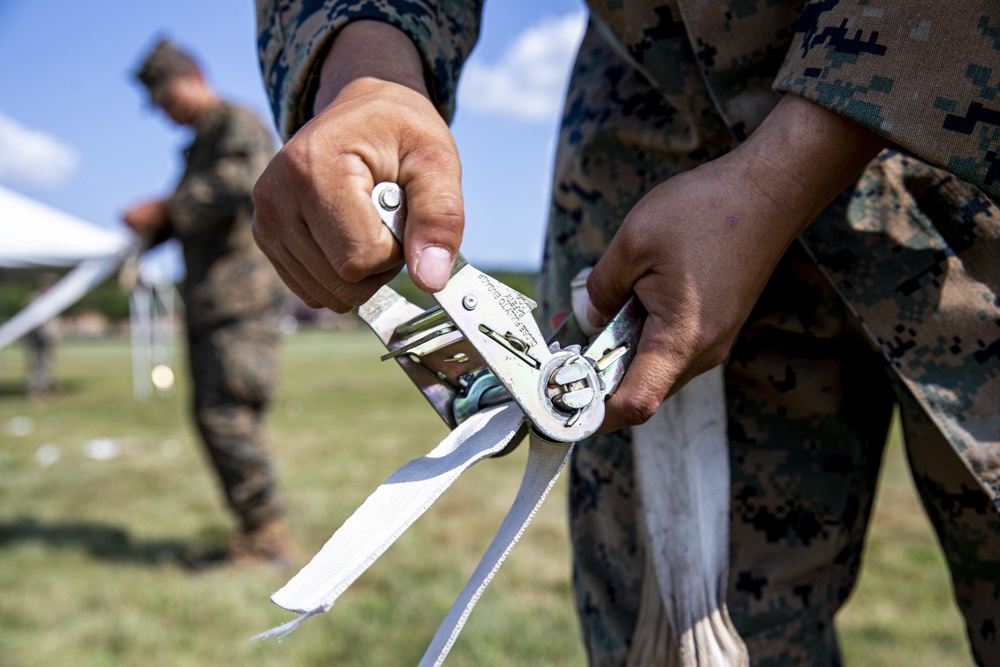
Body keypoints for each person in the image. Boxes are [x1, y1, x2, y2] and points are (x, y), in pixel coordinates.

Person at [251, 2, 1000, 664]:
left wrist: (778, 177)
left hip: (962, 147)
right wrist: (368, 70)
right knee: (672, 641)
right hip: (645, 166)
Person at [123, 38, 293, 569]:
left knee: (227, 414)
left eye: (165, 97)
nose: (164, 113)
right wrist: (154, 230)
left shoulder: (234, 124)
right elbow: (196, 214)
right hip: (213, 303)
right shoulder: (200, 145)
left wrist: (166, 207)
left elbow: (248, 179)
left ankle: (267, 538)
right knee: (215, 414)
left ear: (192, 76)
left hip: (239, 302)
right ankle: (258, 531)